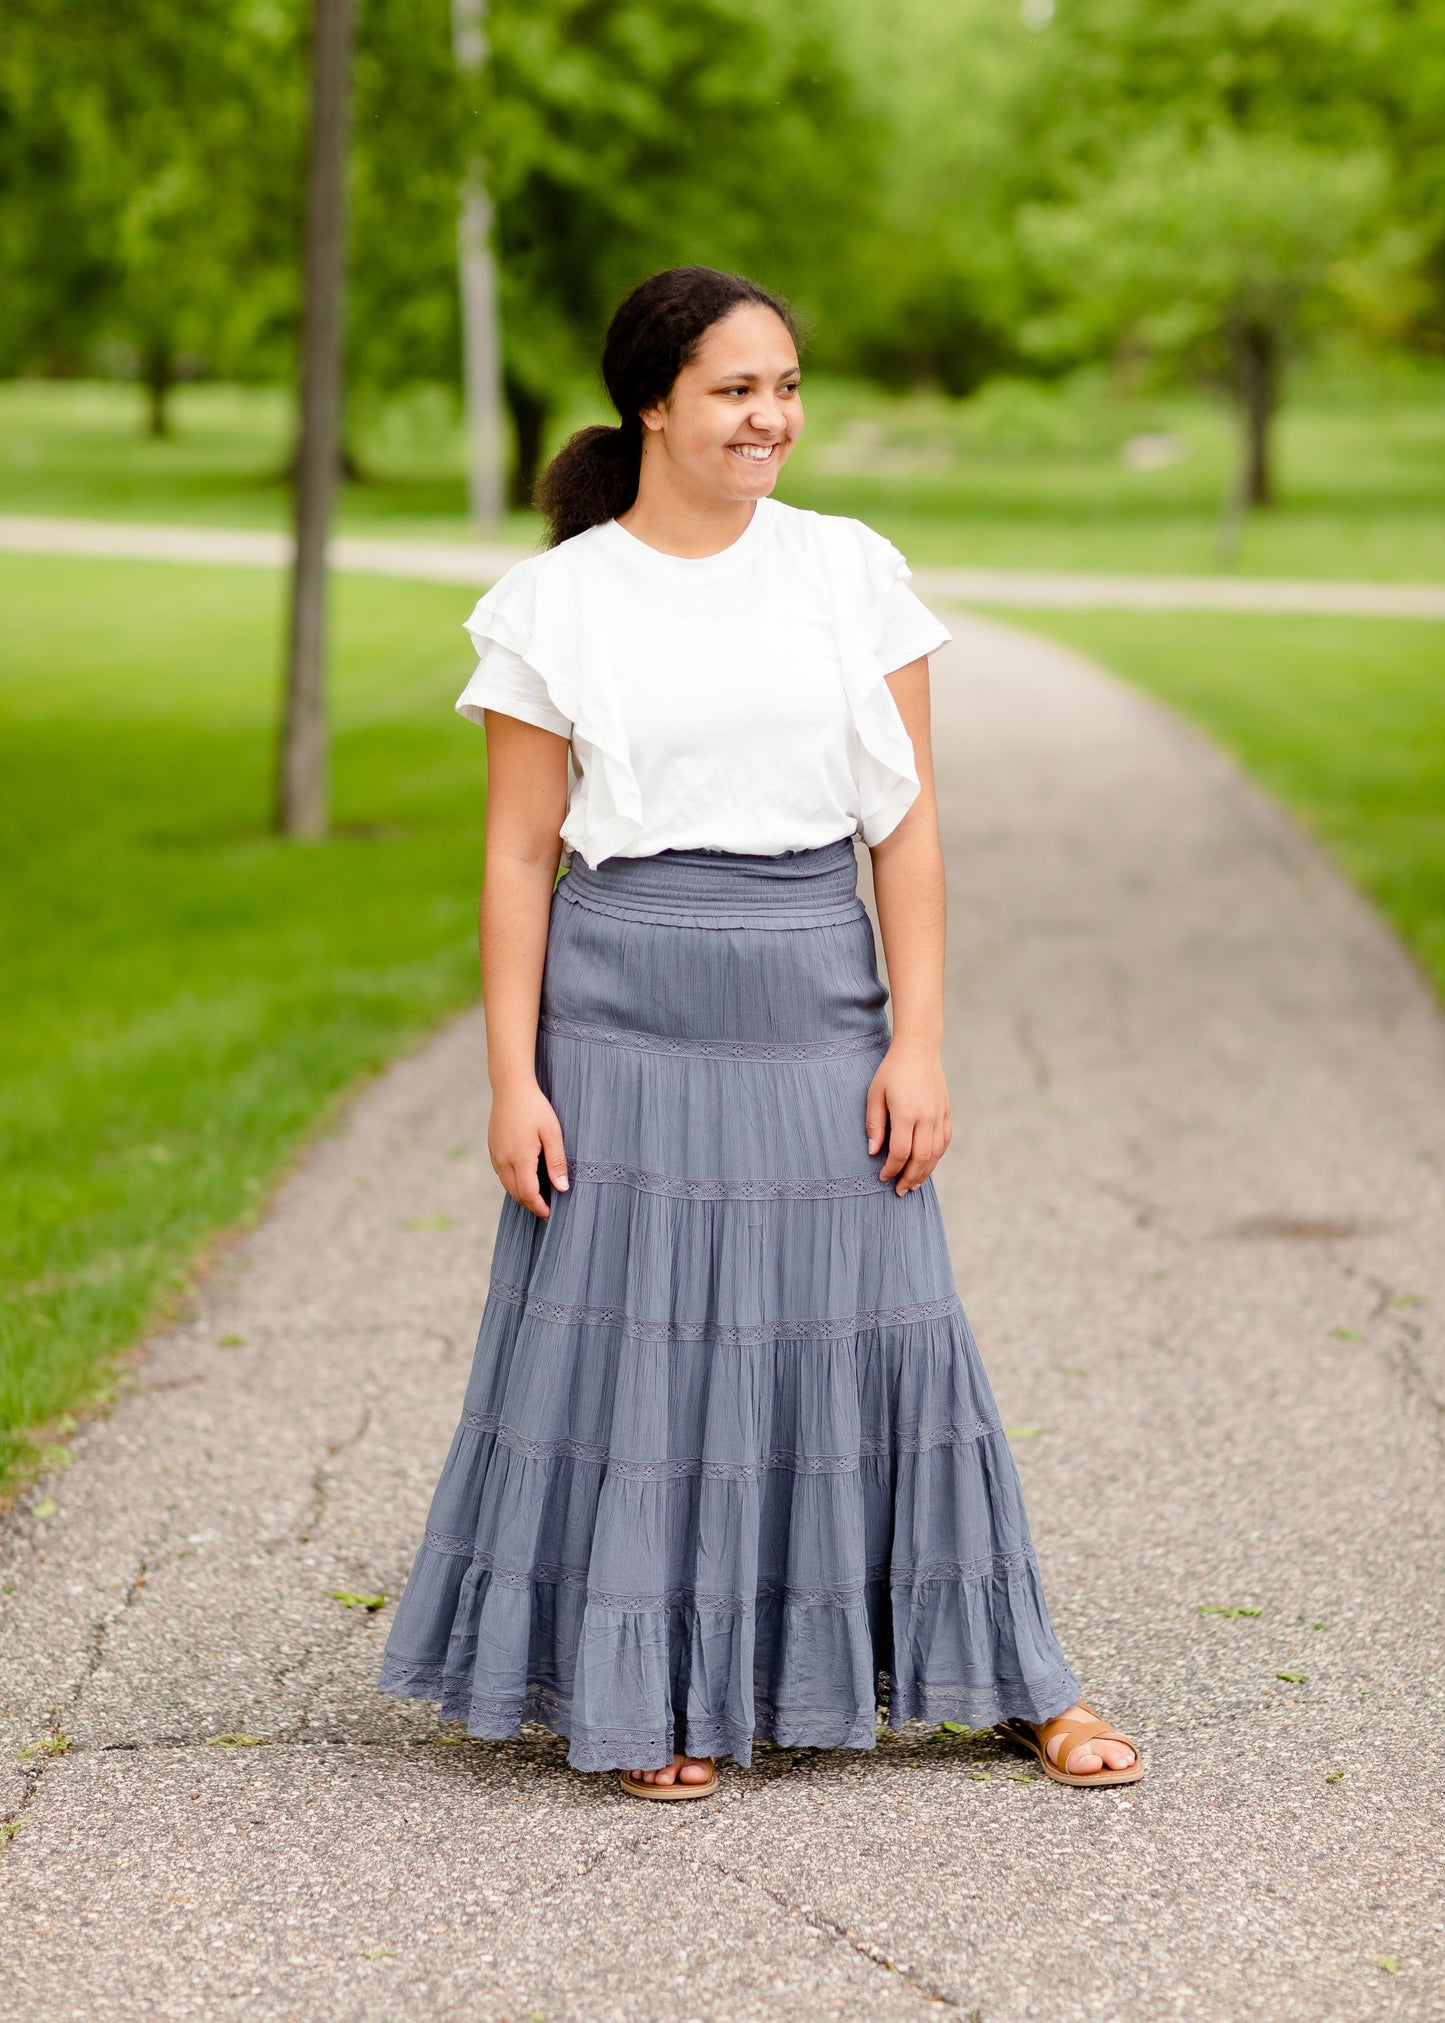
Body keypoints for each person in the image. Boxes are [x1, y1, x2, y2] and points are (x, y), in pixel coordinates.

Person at [377, 265, 1142, 1796]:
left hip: (813, 999)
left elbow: (907, 837)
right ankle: (653, 1692)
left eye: (785, 387)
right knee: (647, 1359)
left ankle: (1011, 1675)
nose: (769, 418)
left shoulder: (849, 573)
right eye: (736, 389)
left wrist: (914, 1043)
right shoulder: (555, 601)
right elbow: (519, 854)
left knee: (895, 1336)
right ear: (651, 403)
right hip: (619, 1018)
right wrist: (512, 1079)